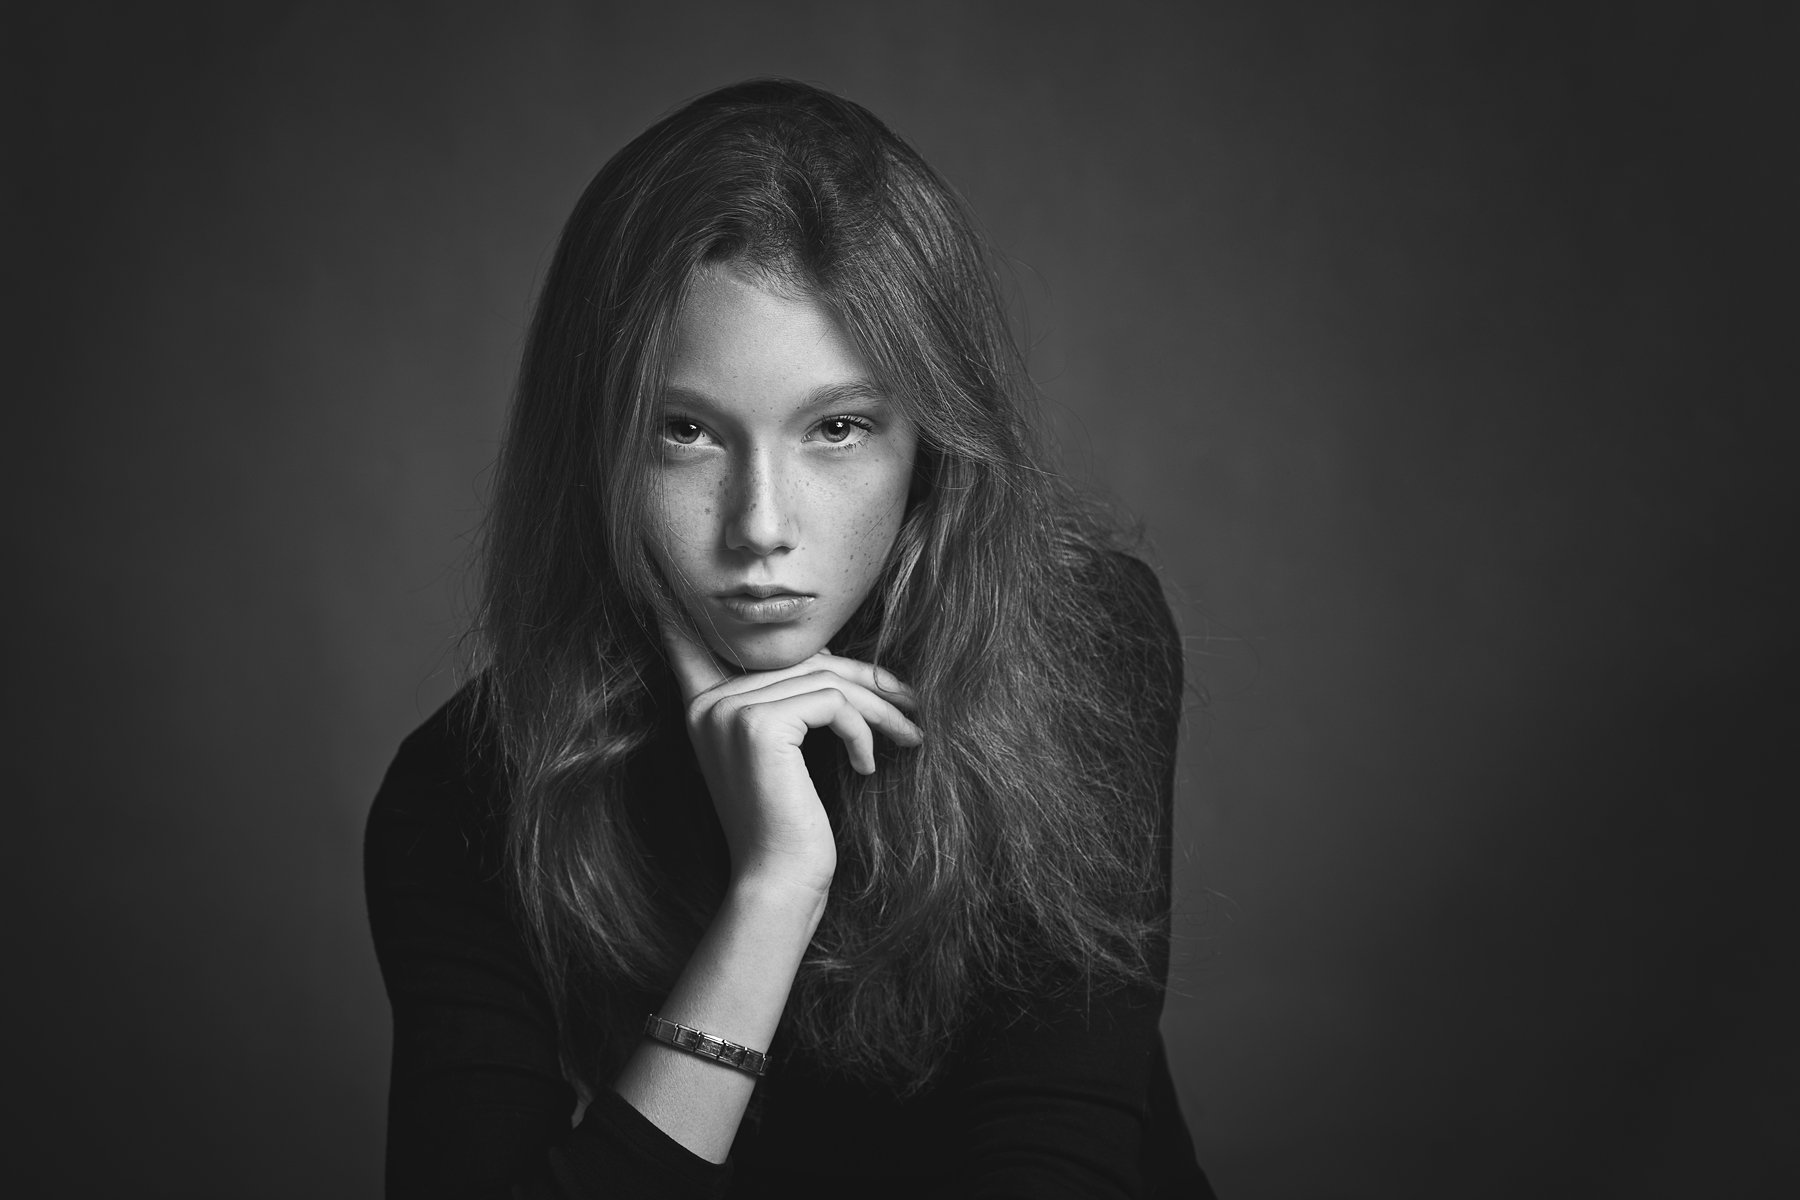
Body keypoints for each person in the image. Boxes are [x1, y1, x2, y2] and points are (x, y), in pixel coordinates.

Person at [365, 78, 1214, 1199]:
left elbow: (1060, 1158)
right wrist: (772, 894)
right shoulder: (465, 795)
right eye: (685, 432)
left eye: (838, 428)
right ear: (595, 450)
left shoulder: (1074, 645)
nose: (760, 527)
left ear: (931, 445)